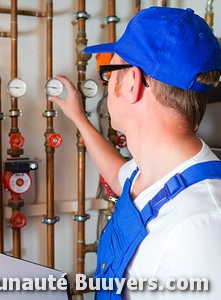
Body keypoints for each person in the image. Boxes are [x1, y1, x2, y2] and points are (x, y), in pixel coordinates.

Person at [49, 6, 221, 300]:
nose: (107, 85)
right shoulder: (155, 171)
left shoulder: (200, 230)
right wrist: (78, 117)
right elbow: (118, 175)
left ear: (131, 83)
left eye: (108, 74)